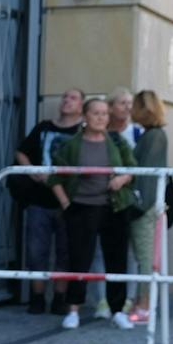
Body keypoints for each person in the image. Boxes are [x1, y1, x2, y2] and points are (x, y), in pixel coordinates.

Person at [50, 95, 138, 330]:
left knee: (117, 259)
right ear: (85, 117)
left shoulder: (117, 142)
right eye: (96, 113)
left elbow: (133, 169)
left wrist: (122, 178)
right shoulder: (72, 145)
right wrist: (66, 203)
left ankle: (117, 310)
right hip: (81, 207)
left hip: (114, 207)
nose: (101, 117)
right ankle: (73, 310)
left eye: (104, 114)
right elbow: (55, 177)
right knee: (80, 259)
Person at [13, 87, 85, 314]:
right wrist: (31, 171)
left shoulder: (83, 131)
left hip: (68, 201)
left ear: (82, 105)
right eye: (64, 96)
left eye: (73, 98)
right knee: (36, 250)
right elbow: (21, 152)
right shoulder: (44, 127)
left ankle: (59, 298)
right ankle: (37, 298)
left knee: (65, 252)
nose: (66, 100)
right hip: (39, 200)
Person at [125, 90, 168, 324]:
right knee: (145, 256)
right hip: (147, 204)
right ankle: (143, 302)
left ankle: (144, 305)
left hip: (145, 207)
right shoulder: (152, 135)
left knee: (145, 257)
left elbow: (148, 176)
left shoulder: (153, 137)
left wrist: (140, 205)